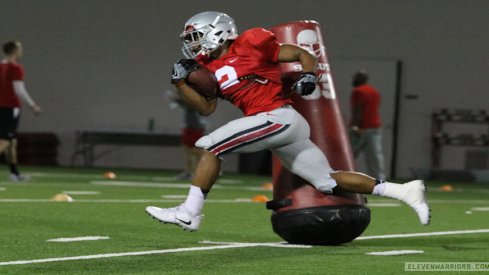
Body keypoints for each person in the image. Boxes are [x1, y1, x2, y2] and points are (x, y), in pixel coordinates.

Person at [146, 11, 430, 231]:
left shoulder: (250, 42)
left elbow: (301, 53)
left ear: (216, 32)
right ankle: (404, 190)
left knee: (211, 146)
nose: (192, 45)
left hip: (276, 117)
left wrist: (308, 74)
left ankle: (189, 212)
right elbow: (206, 109)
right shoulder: (208, 70)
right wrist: (180, 84)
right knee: (327, 182)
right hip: (278, 125)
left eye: (196, 37)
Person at [0, 41, 42, 181]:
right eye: (19, 48)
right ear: (15, 51)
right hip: (10, 107)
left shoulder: (1, 65)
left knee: (12, 142)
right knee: (5, 140)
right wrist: (32, 105)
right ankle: (15, 174)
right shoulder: (15, 68)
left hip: (1, 106)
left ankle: (15, 173)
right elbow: (19, 90)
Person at [349, 70, 386, 180]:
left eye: (355, 77)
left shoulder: (358, 91)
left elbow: (358, 110)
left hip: (361, 128)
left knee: (349, 154)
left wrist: (355, 126)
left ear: (359, 79)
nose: (353, 80)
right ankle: (379, 180)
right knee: (375, 156)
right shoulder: (374, 92)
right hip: (375, 128)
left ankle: (341, 177)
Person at [167, 89, 208, 180]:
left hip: (195, 128)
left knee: (196, 151)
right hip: (189, 128)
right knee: (187, 150)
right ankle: (189, 172)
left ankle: (202, 171)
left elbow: (190, 106)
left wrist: (177, 100)